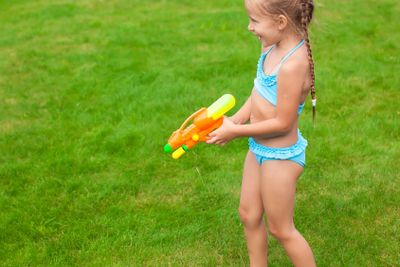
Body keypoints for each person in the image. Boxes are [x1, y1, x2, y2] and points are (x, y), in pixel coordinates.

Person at [206, 0, 318, 266]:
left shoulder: (293, 64)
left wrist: (236, 132)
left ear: (280, 22)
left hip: (280, 157)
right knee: (248, 214)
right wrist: (236, 119)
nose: (249, 27)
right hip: (258, 149)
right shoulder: (271, 46)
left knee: (281, 229)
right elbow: (259, 92)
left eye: (255, 21)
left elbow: (283, 123)